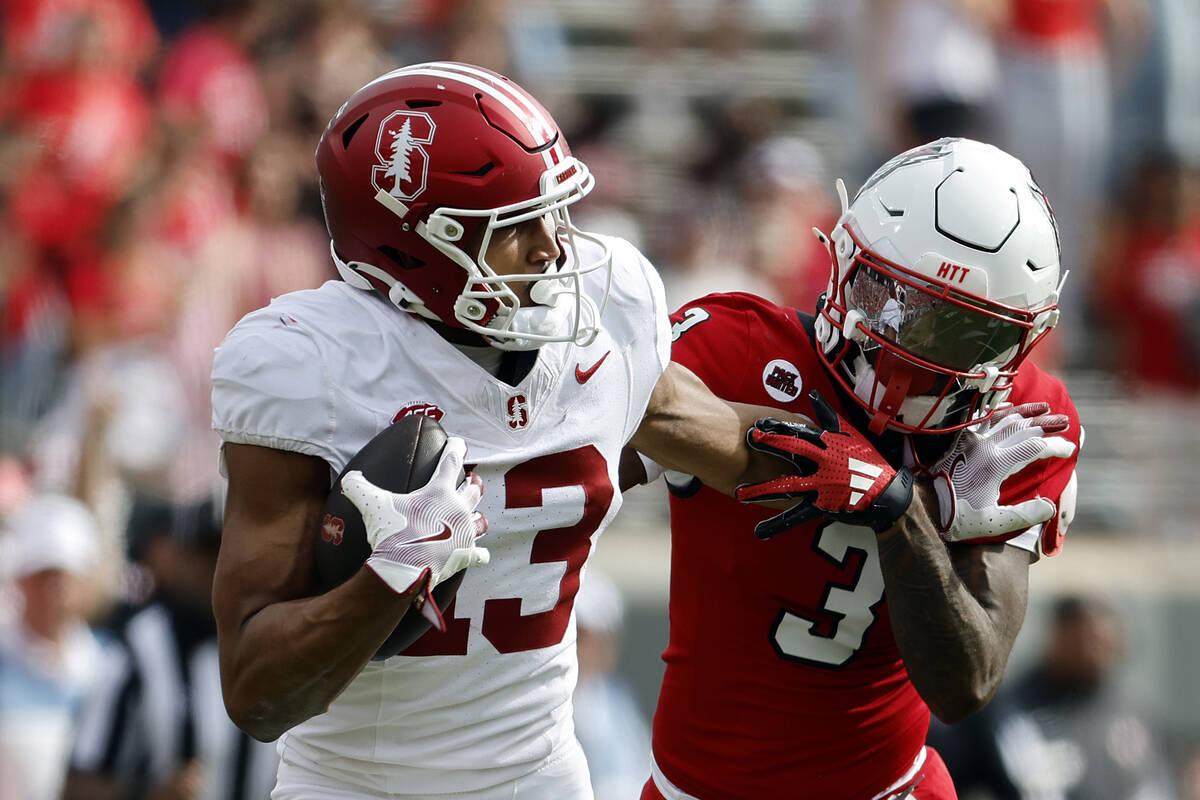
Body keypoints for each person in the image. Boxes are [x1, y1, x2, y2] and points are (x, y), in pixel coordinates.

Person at [209, 61, 857, 798]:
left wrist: (908, 473)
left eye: (554, 211)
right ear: (413, 246)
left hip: (539, 776)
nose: (554, 247)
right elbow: (258, 696)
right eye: (515, 226)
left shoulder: (602, 315)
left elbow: (735, 444)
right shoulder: (309, 364)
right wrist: (393, 574)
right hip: (357, 785)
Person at [635, 137, 1083, 800]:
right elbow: (571, 458)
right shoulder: (733, 347)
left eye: (956, 332)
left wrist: (899, 512)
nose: (905, 352)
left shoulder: (1021, 424)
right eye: (889, 299)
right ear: (843, 259)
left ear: (1019, 341)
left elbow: (969, 681)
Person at [65, 497, 278, 800]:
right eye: (209, 551)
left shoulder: (276, 642)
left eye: (235, 551)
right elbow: (78, 785)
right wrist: (149, 795)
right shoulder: (138, 648)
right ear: (181, 559)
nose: (221, 566)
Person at [930, 594, 1177, 800]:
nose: (1100, 651)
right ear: (1059, 633)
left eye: (1107, 643)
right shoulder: (1006, 711)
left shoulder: (1134, 713)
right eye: (1090, 639)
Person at [0, 494, 103, 800]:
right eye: (42, 575)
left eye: (63, 575)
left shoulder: (108, 662)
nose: (54, 588)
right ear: (20, 581)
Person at [572, 569, 652, 800]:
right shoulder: (551, 704)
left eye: (588, 634)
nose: (585, 646)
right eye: (579, 633)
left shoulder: (618, 698)